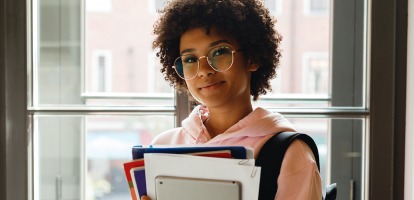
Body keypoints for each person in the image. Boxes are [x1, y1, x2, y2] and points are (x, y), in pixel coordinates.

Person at [141, 0, 322, 199]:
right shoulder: (164, 147)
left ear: (252, 58)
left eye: (219, 52)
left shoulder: (291, 154)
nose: (204, 71)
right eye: (190, 59)